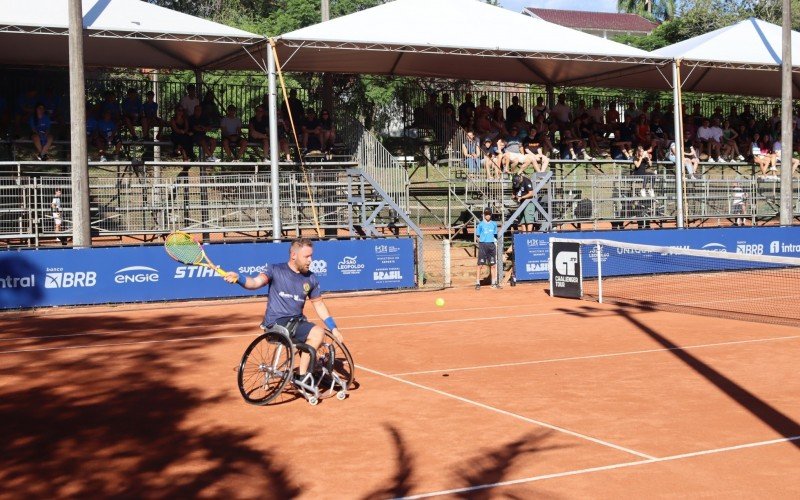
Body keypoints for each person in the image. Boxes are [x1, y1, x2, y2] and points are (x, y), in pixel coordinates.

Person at [223, 238, 344, 387]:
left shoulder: (311, 278)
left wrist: (334, 327)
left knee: (314, 337)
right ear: (294, 255)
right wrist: (239, 278)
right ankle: (302, 377)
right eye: (306, 256)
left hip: (297, 323)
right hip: (276, 323)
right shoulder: (274, 270)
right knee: (317, 333)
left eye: (311, 256)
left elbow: (319, 304)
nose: (310, 260)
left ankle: (315, 370)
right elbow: (254, 283)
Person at [474, 208, 498, 290]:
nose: (487, 216)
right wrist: (480, 242)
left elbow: (495, 235)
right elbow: (477, 236)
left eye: (489, 214)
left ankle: (494, 283)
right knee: (480, 265)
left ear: (491, 215)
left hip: (491, 246)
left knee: (493, 265)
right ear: (484, 215)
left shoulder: (494, 224)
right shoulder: (480, 225)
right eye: (486, 214)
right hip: (483, 246)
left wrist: (494, 242)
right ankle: (477, 283)